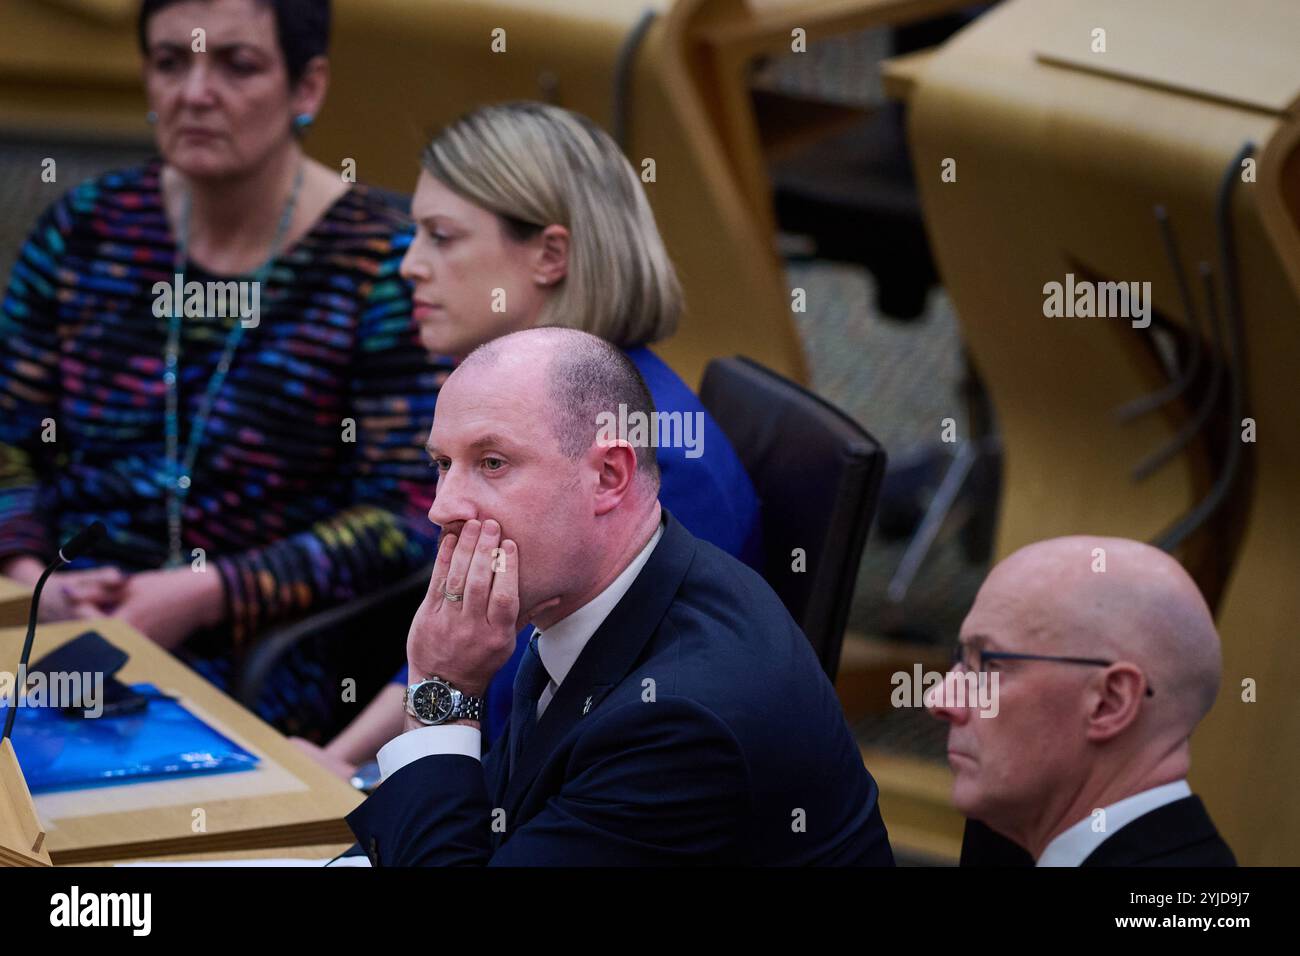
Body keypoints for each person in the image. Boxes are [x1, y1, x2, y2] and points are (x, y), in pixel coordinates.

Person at [0, 0, 443, 732]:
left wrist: (210, 593)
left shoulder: (380, 262)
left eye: (237, 65)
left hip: (273, 653)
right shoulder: (85, 229)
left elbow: (410, 514)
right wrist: (27, 572)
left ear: (307, 89)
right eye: (170, 62)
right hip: (61, 621)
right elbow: (10, 439)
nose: (195, 93)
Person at [296, 102, 761, 778]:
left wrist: (376, 781)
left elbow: (538, 734)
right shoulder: (522, 416)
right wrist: (337, 762)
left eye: (441, 236)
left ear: (549, 254)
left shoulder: (655, 462)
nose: (407, 266)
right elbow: (456, 640)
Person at [343, 327, 892, 865]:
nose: (443, 507)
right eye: (442, 464)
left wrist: (445, 692)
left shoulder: (679, 722)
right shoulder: (600, 590)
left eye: (492, 463)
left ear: (608, 476)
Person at [928, 535, 1236, 866]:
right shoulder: (1009, 835)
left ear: (1110, 703)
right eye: (961, 659)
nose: (939, 699)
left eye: (989, 665)